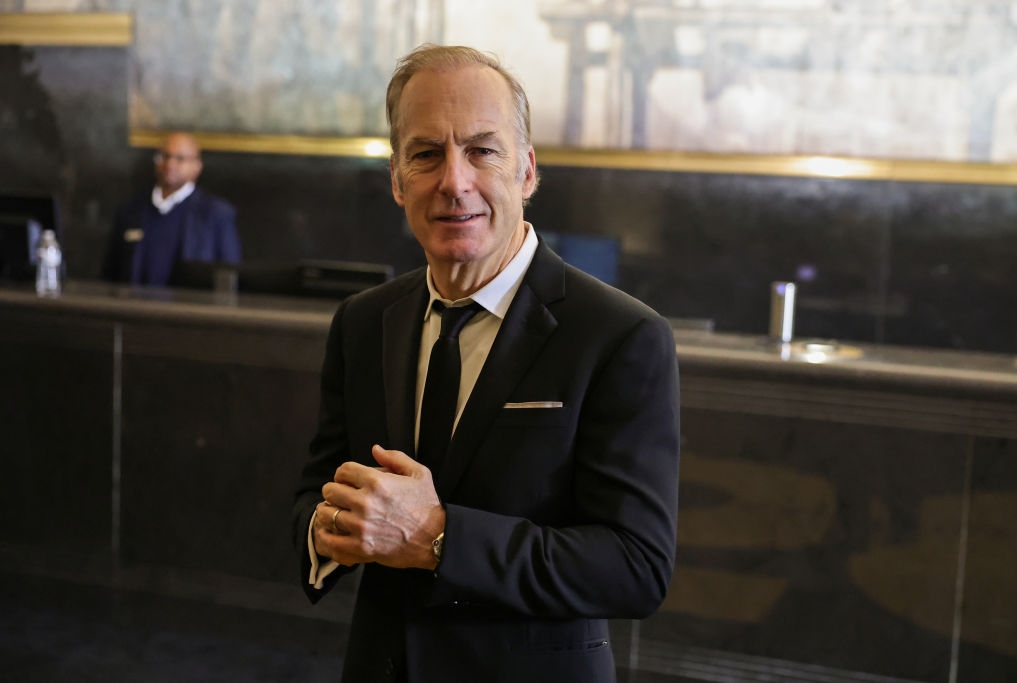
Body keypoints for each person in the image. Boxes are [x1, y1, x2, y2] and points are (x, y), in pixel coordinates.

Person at [292, 44, 680, 683]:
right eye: (425, 154)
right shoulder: (362, 322)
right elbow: (317, 488)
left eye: (482, 150)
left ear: (527, 171)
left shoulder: (620, 336)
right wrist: (326, 527)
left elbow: (634, 567)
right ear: (396, 179)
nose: (453, 181)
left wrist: (438, 536)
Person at [102, 132, 241, 286]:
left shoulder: (216, 214)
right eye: (164, 156)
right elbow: (110, 272)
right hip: (136, 307)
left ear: (197, 166)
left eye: (180, 159)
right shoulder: (130, 211)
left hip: (188, 308)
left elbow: (228, 277)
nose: (170, 165)